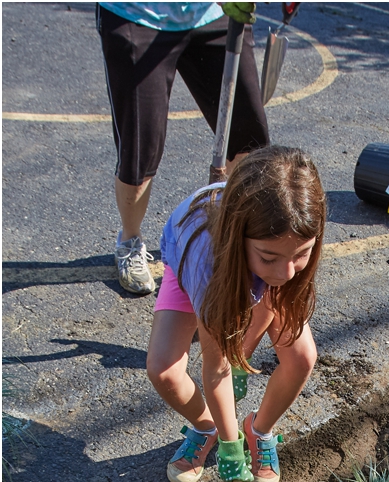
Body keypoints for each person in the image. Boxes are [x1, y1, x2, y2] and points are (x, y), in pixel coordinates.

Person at [146, 145, 326, 482]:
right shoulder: (207, 268)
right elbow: (215, 370)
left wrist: (239, 358)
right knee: (163, 369)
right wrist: (230, 446)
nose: (287, 272)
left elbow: (272, 283)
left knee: (302, 357)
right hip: (206, 270)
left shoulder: (283, 257)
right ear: (240, 238)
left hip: (244, 271)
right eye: (270, 256)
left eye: (301, 254)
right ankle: (207, 427)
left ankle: (259, 431)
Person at [96, 2, 268, 295]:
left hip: (212, 14)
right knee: (141, 151)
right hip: (139, 16)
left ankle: (233, 238)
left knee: (251, 143)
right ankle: (130, 241)